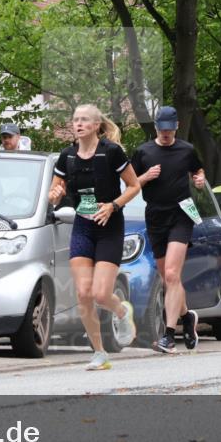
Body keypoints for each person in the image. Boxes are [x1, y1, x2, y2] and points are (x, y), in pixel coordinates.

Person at [49, 104, 140, 370]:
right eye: (75, 119)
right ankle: (99, 352)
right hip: (83, 226)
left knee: (101, 294)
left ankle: (122, 311)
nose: (78, 124)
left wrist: (113, 206)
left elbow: (134, 186)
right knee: (83, 293)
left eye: (84, 120)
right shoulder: (67, 156)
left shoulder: (111, 152)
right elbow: (56, 189)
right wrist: (54, 195)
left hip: (109, 225)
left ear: (96, 125)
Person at [131, 106, 207, 354]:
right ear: (156, 128)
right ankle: (187, 317)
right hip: (155, 215)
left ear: (175, 128)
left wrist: (199, 180)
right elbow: (130, 183)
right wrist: (145, 178)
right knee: (167, 278)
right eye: (162, 129)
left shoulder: (186, 150)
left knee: (173, 275)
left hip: (181, 214)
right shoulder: (143, 152)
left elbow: (198, 171)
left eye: (169, 129)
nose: (165, 134)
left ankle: (169, 335)